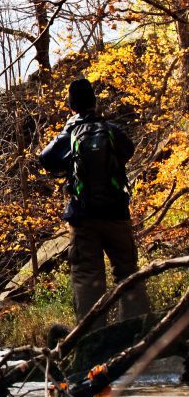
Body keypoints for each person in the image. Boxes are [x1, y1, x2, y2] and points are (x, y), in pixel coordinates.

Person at [39, 78, 149, 324]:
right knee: (127, 272)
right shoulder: (111, 130)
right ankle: (136, 331)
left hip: (83, 217)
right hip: (117, 214)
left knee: (88, 276)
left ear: (71, 106)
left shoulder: (69, 134)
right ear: (95, 102)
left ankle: (93, 339)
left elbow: (45, 159)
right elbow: (128, 150)